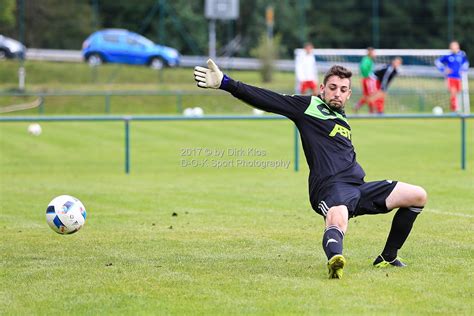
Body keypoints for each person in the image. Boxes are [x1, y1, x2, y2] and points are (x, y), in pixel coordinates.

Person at [194, 59, 427, 279]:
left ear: (348, 94)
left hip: (358, 187)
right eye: (333, 87)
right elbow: (268, 99)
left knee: (417, 196)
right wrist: (227, 83)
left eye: (343, 89)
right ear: (322, 87)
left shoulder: (342, 117)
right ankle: (335, 259)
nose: (337, 93)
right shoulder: (308, 105)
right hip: (329, 187)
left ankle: (387, 257)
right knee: (339, 215)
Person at [435, 41, 469, 112]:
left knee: (458, 93)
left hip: (459, 78)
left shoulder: (461, 56)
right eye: (452, 46)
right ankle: (454, 109)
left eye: (455, 46)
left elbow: (466, 63)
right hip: (451, 77)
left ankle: (457, 108)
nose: (454, 48)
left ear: (458, 47)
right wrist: (443, 69)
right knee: (453, 93)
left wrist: (463, 69)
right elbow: (437, 61)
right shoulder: (448, 56)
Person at [355, 47, 377, 113]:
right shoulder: (367, 60)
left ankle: (358, 105)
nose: (374, 54)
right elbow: (363, 68)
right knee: (371, 95)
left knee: (367, 95)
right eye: (373, 52)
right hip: (367, 79)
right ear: (370, 53)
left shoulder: (368, 60)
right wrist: (368, 75)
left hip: (366, 79)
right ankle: (371, 110)